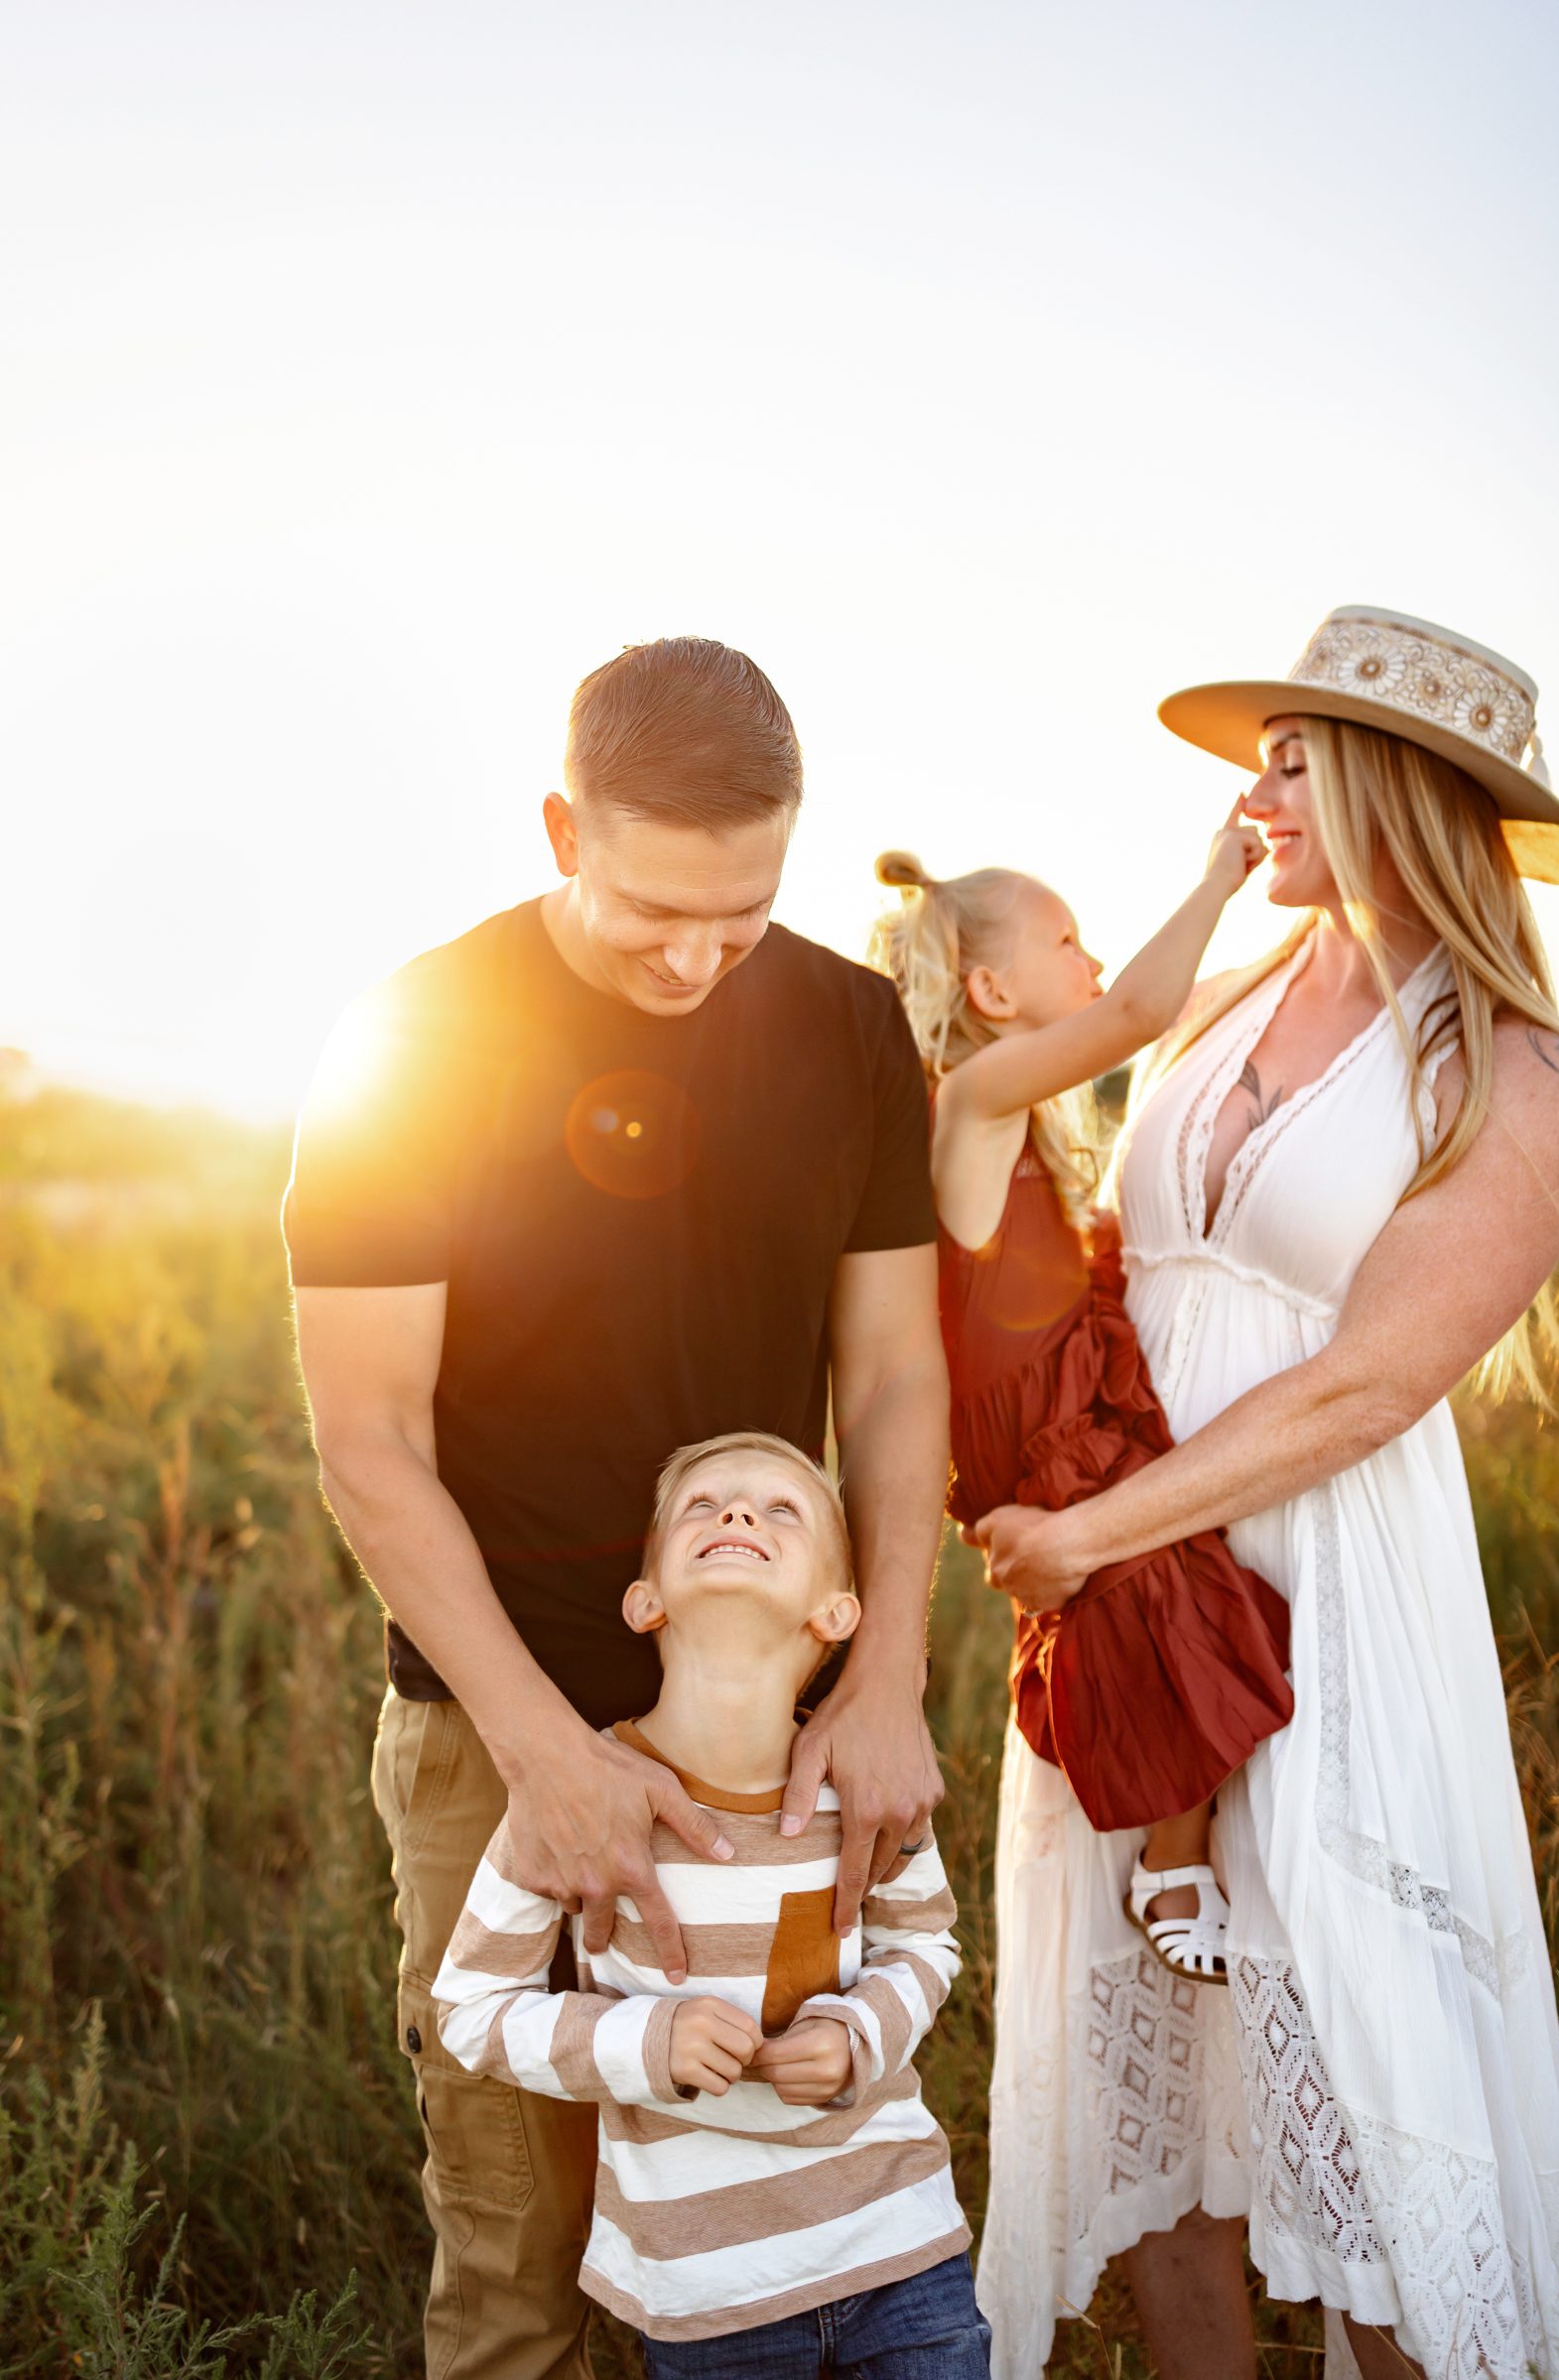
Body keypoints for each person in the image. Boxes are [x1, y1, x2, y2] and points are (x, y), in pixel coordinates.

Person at [283, 639, 951, 2380]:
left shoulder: (849, 1024)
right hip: (496, 1726)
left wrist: (885, 1675)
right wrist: (548, 1752)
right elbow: (370, 1435)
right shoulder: (411, 1040)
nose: (697, 958)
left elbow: (894, 1376)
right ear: (562, 827)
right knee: (524, 2247)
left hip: (772, 1736)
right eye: (655, 908)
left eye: (744, 912)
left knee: (775, 2229)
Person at [969, 606, 1559, 2380]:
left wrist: (1093, 1530)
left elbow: (1372, 1380)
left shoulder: (1519, 1069)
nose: (1261, 791)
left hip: (1328, 1598)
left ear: (1407, 788)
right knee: (1160, 2112)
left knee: (1366, 2099)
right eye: (1264, 759)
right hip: (1128, 1588)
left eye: (1299, 760)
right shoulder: (1221, 989)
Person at [431, 1431, 988, 2378]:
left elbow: (926, 1945)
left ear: (838, 1612)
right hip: (708, 2294)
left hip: (901, 2249)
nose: (736, 1513)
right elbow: (470, 2008)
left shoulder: (866, 1785)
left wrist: (859, 2032)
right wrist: (645, 2042)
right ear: (644, 1598)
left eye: (782, 1509)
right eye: (704, 1504)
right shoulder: (578, 1802)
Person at [869, 828, 1294, 1982]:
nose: (1093, 960)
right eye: (1066, 941)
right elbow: (1138, 1010)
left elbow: (1168, 1000)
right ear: (990, 991)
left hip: (1065, 1409)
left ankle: (1178, 1836)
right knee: (1154, 1587)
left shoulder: (1010, 1111)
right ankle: (1170, 1860)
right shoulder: (973, 1095)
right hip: (1032, 1434)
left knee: (1177, 1579)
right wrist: (1217, 879)